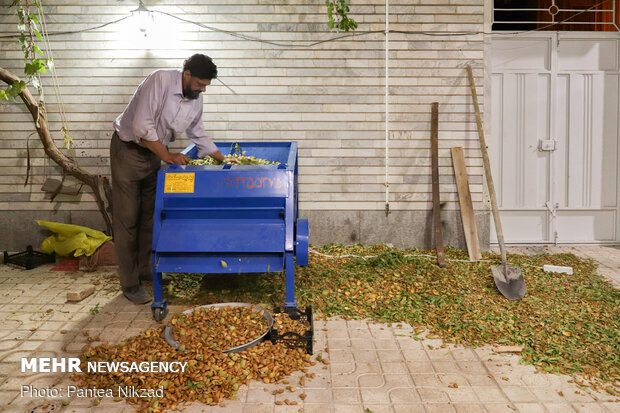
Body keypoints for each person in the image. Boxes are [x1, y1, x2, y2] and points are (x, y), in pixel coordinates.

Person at [110, 53, 233, 304]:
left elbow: (197, 133)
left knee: (149, 217)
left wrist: (224, 159)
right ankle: (130, 283)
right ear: (186, 74)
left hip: (154, 153)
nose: (202, 89)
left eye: (206, 86)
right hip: (129, 151)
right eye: (199, 84)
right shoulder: (160, 81)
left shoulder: (195, 99)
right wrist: (169, 156)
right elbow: (142, 128)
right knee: (128, 219)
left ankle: (146, 270)